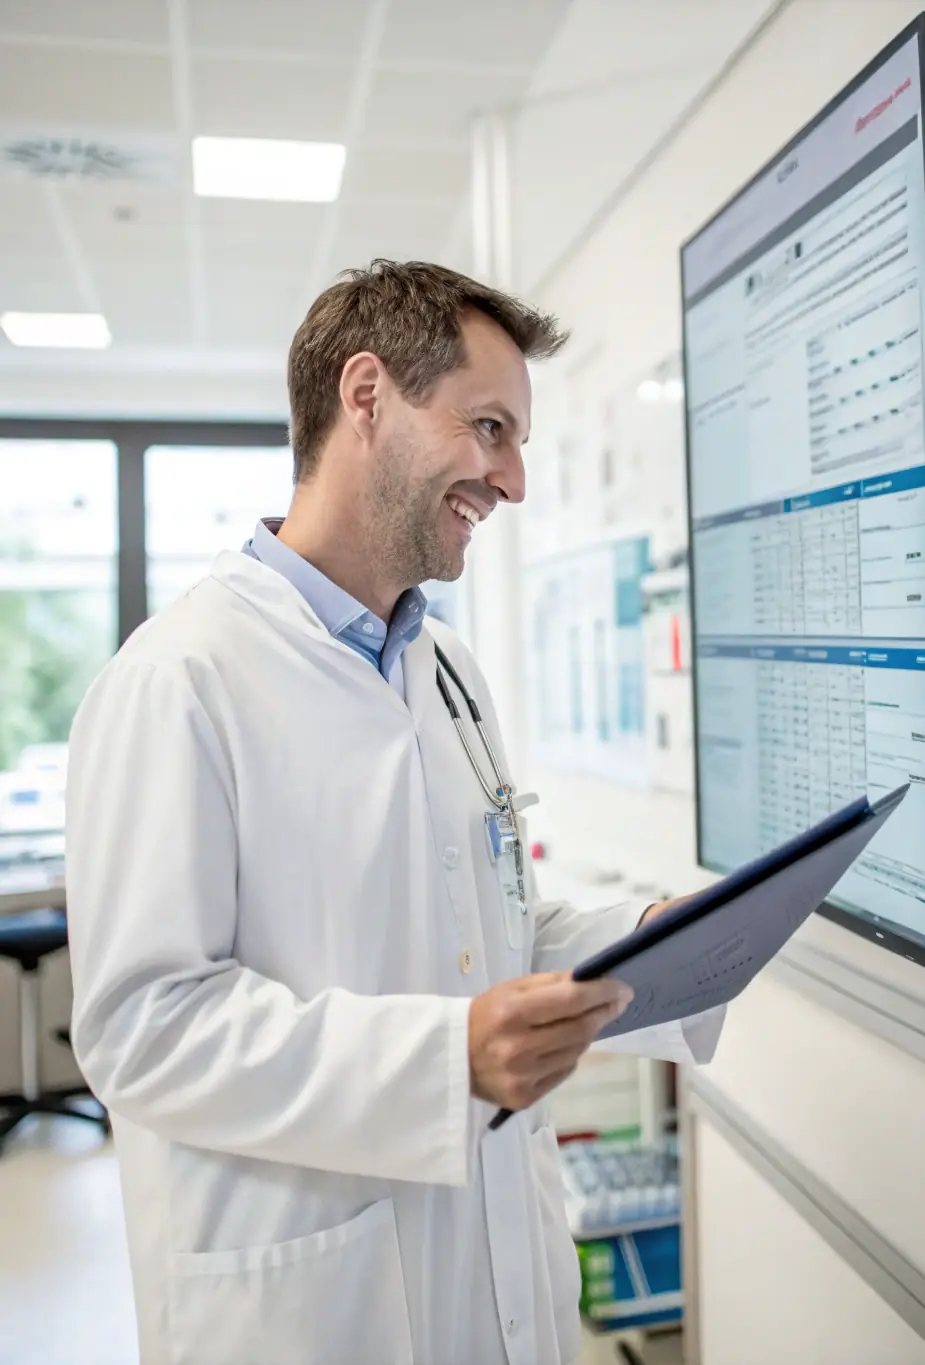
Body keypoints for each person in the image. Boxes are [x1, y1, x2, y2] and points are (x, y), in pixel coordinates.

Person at [65, 260, 724, 1365]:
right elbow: (145, 1025)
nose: (513, 481)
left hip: (495, 1268)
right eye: (489, 428)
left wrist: (656, 939)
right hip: (311, 1297)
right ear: (366, 396)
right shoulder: (177, 679)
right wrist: (443, 1058)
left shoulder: (446, 668)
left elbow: (485, 935)